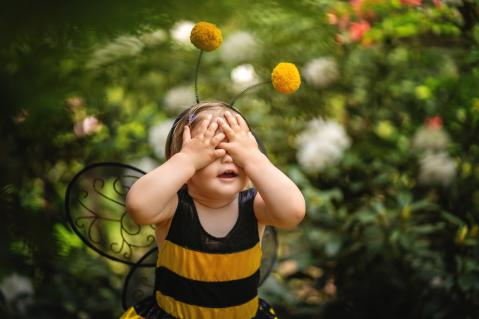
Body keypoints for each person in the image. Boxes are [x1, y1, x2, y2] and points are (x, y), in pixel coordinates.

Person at [120, 101, 306, 319]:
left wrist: (254, 159)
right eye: (214, 149)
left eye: (237, 148)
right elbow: (138, 207)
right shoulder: (173, 207)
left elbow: (293, 213)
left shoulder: (254, 207)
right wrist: (187, 160)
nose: (228, 157)